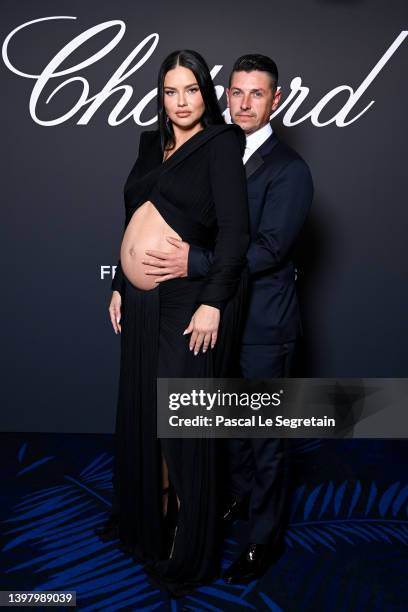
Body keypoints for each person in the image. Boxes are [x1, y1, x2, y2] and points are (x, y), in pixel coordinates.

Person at [143, 54, 314, 583]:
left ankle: (263, 540)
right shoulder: (213, 152)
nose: (243, 104)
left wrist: (194, 263)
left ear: (276, 101)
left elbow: (268, 250)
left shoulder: (289, 170)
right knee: (229, 426)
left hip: (263, 324)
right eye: (236, 93)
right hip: (216, 318)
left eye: (256, 94)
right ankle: (238, 501)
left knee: (265, 437)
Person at [95, 49, 249, 598]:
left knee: (179, 423)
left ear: (205, 94)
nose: (180, 101)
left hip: (188, 302)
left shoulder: (222, 145)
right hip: (141, 304)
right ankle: (149, 528)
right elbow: (131, 217)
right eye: (169, 91)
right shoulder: (148, 143)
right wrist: (120, 283)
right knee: (143, 412)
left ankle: (191, 545)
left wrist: (213, 301)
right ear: (160, 95)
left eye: (190, 90)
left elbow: (234, 234)